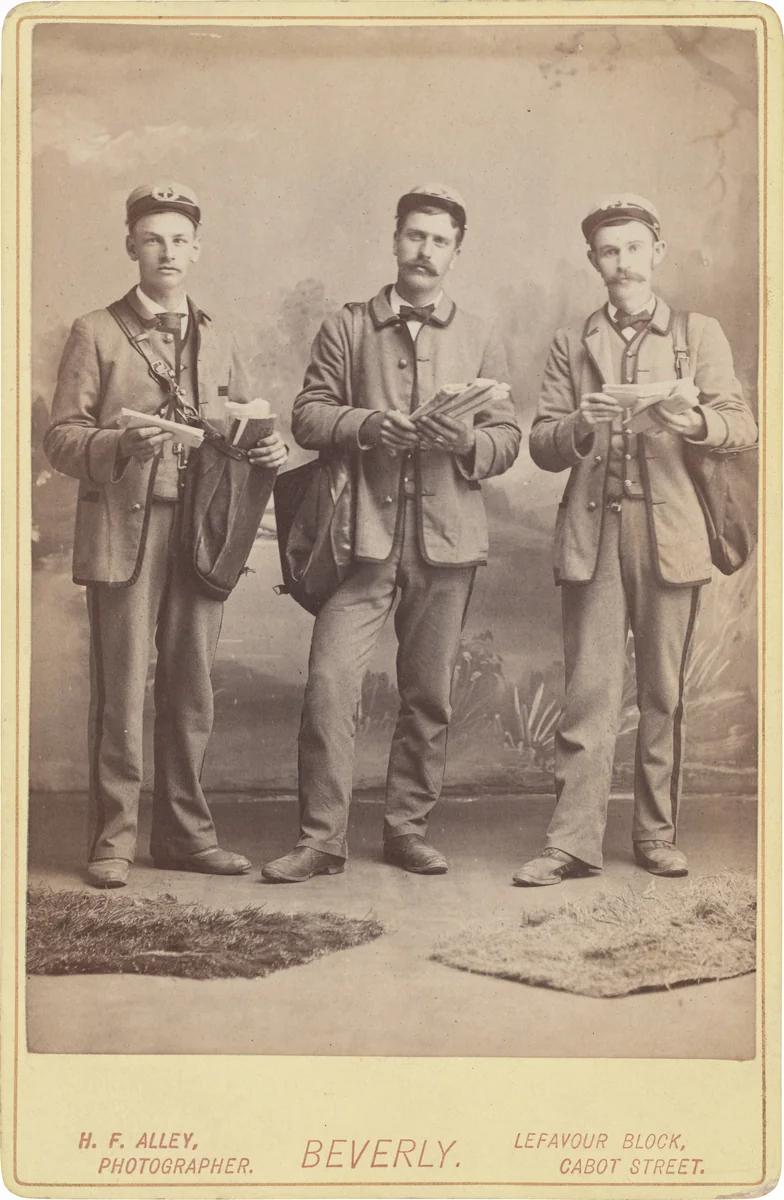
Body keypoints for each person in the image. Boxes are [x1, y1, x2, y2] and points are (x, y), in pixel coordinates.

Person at [262, 183, 521, 882]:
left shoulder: (480, 332)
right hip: (359, 538)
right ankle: (321, 840)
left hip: (448, 541)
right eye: (414, 235)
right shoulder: (347, 327)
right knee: (329, 685)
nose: (424, 250)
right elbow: (308, 416)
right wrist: (370, 424)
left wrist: (465, 439)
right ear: (395, 240)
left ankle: (407, 830)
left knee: (428, 694)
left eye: (439, 240)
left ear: (456, 253)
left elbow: (508, 439)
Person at [44, 182, 288, 888]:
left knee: (192, 689)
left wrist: (267, 451)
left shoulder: (221, 336)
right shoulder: (95, 331)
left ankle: (184, 836)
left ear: (197, 250)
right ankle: (113, 842)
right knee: (122, 693)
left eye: (180, 239)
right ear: (131, 247)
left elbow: (245, 429)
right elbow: (60, 439)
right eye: (153, 238)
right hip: (128, 532)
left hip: (203, 532)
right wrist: (121, 448)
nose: (168, 251)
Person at [514, 193, 757, 886]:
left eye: (633, 249)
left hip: (672, 530)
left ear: (657, 252)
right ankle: (571, 843)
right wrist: (580, 426)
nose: (622, 263)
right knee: (590, 692)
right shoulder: (571, 342)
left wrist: (690, 419)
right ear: (594, 261)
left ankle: (656, 834)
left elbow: (743, 425)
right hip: (596, 530)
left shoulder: (697, 333)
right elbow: (541, 443)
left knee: (664, 691)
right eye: (608, 252)